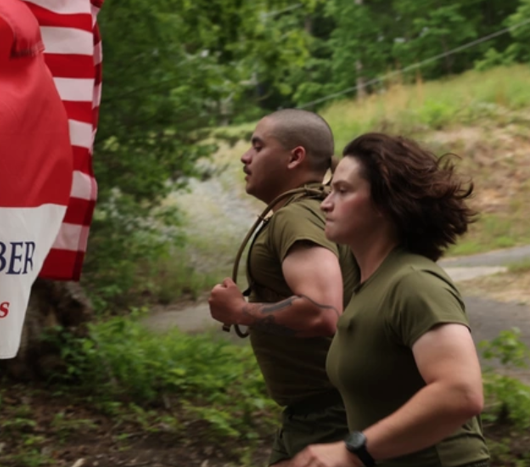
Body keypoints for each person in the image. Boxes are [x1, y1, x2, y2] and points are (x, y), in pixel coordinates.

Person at [292, 133, 488, 467]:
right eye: (329, 190)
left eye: (342, 191)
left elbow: (461, 392)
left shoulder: (414, 282)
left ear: (384, 203)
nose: (326, 203)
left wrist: (353, 450)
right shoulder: (368, 285)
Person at [207, 109, 358, 466]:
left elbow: (324, 313)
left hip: (329, 414)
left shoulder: (296, 216)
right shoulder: (311, 209)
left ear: (295, 157)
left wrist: (240, 311)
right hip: (313, 413)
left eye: (257, 147)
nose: (245, 156)